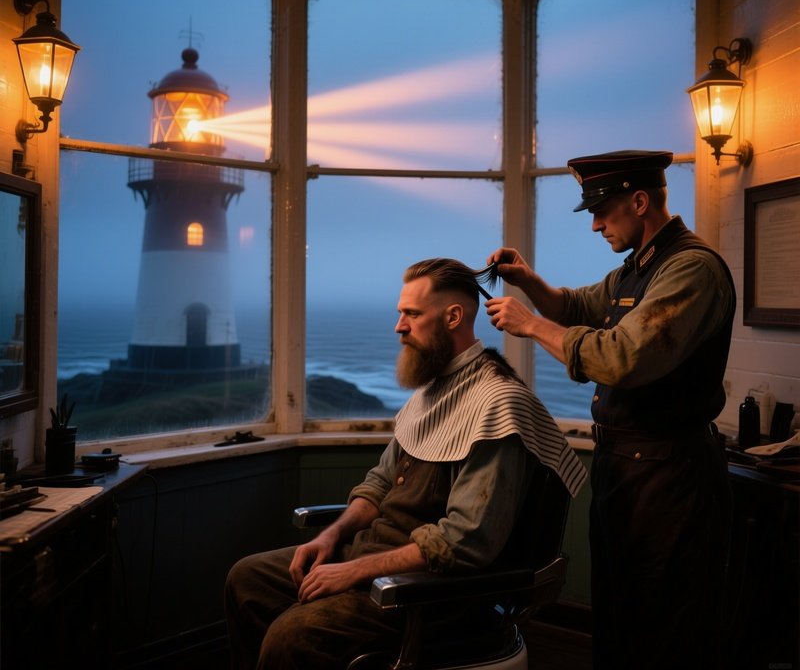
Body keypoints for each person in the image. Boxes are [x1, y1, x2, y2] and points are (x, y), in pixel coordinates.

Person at [225, 257, 586, 670]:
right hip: (375, 555)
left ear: (453, 317)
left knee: (291, 635)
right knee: (247, 579)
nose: (399, 326)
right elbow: (379, 485)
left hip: (435, 592)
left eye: (411, 314)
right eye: (400, 313)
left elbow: (465, 543)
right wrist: (331, 536)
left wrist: (354, 572)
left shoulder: (497, 405)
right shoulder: (431, 390)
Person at [485, 149, 735, 670]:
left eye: (602, 210)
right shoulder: (635, 271)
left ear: (639, 201)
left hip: (670, 477)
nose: (596, 224)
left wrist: (530, 325)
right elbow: (576, 306)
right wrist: (528, 280)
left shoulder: (690, 269)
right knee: (621, 613)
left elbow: (621, 358)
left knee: (662, 624)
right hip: (625, 471)